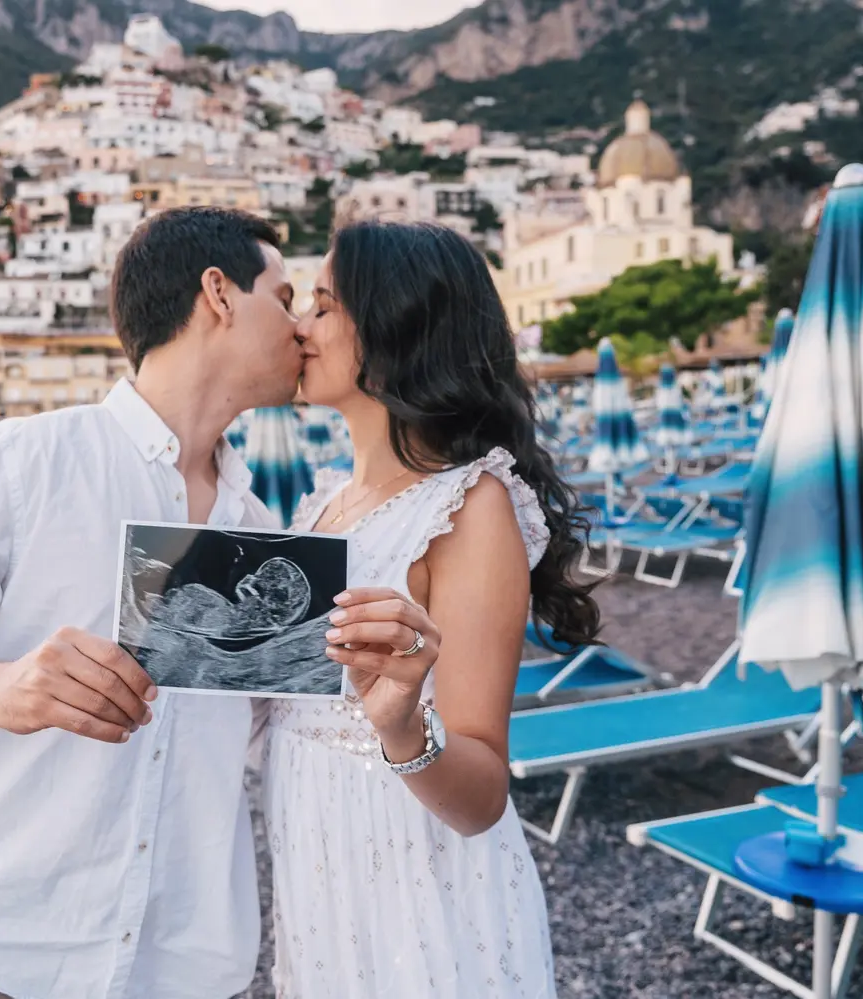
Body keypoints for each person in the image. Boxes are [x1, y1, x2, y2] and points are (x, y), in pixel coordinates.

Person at [0, 207, 426, 999]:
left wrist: (380, 689)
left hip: (186, 966)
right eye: (283, 297)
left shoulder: (266, 535)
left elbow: (269, 740)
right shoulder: (27, 460)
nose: (301, 327)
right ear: (218, 294)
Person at [261, 220, 601, 998]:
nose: (300, 326)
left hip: (422, 889)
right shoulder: (321, 508)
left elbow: (482, 792)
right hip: (318, 876)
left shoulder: (470, 505)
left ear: (396, 326)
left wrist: (402, 724)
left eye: (322, 303)